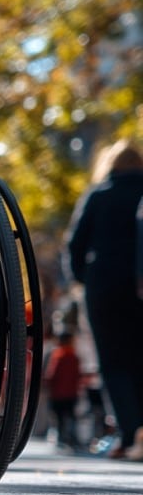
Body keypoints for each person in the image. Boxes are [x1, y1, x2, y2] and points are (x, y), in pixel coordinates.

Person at [65, 139, 143, 460]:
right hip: (138, 283)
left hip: (104, 287)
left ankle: (129, 434)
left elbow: (75, 246)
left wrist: (83, 280)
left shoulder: (98, 195)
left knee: (113, 363)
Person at [42, 331, 83, 452]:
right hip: (72, 393)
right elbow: (77, 374)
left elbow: (52, 373)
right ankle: (72, 439)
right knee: (71, 416)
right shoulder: (74, 355)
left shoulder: (58, 354)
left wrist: (47, 385)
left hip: (58, 393)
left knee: (59, 418)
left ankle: (61, 439)